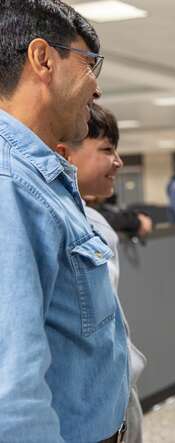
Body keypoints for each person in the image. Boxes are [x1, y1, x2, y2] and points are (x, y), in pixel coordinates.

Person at [0, 1, 128, 441]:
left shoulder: (40, 178)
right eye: (90, 65)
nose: (96, 90)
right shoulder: (11, 184)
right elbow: (9, 388)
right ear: (43, 59)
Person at [55, 103, 147, 443]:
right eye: (107, 150)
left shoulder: (92, 220)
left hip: (112, 397)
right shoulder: (62, 221)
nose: (118, 161)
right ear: (64, 154)